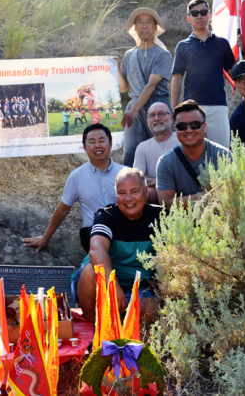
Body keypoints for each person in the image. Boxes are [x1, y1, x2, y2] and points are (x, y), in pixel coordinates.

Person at [72, 168, 161, 323]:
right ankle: (93, 330)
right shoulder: (106, 216)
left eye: (134, 191)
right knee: (92, 270)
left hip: (140, 287)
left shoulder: (161, 216)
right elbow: (96, 250)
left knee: (149, 307)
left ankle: (136, 343)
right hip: (105, 283)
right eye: (121, 193)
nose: (128, 198)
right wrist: (113, 285)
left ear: (146, 191)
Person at [23, 124, 128, 253]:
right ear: (84, 147)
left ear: (110, 144)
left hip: (123, 230)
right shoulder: (76, 177)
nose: (97, 146)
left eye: (101, 141)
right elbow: (63, 209)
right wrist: (45, 238)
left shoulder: (127, 173)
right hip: (93, 233)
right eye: (92, 142)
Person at [171, 0, 238, 148]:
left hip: (218, 106)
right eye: (195, 13)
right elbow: (177, 78)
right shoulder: (182, 46)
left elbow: (235, 74)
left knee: (223, 154)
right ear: (189, 18)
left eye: (203, 12)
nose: (199, 16)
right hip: (191, 107)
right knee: (191, 152)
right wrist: (175, 110)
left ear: (210, 15)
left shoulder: (222, 43)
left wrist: (243, 51)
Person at [117, 8, 172, 167]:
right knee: (130, 152)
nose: (144, 26)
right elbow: (123, 88)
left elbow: (152, 84)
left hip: (157, 105)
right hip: (134, 106)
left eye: (149, 22)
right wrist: (117, 68)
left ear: (155, 28)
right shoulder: (129, 54)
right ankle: (129, 189)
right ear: (135, 28)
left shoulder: (163, 54)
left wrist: (133, 110)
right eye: (140, 22)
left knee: (162, 150)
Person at [156, 100, 231, 209]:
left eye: (195, 125)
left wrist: (185, 201)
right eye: (182, 126)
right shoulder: (166, 162)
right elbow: (166, 203)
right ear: (175, 128)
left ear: (205, 127)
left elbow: (231, 196)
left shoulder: (223, 156)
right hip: (184, 224)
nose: (189, 130)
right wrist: (209, 195)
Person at [133, 102, 180, 203]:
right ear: (148, 122)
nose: (157, 118)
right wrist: (161, 182)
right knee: (150, 192)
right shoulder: (142, 147)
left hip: (182, 192)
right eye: (152, 115)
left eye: (162, 114)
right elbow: (137, 177)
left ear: (171, 119)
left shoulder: (182, 141)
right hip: (156, 195)